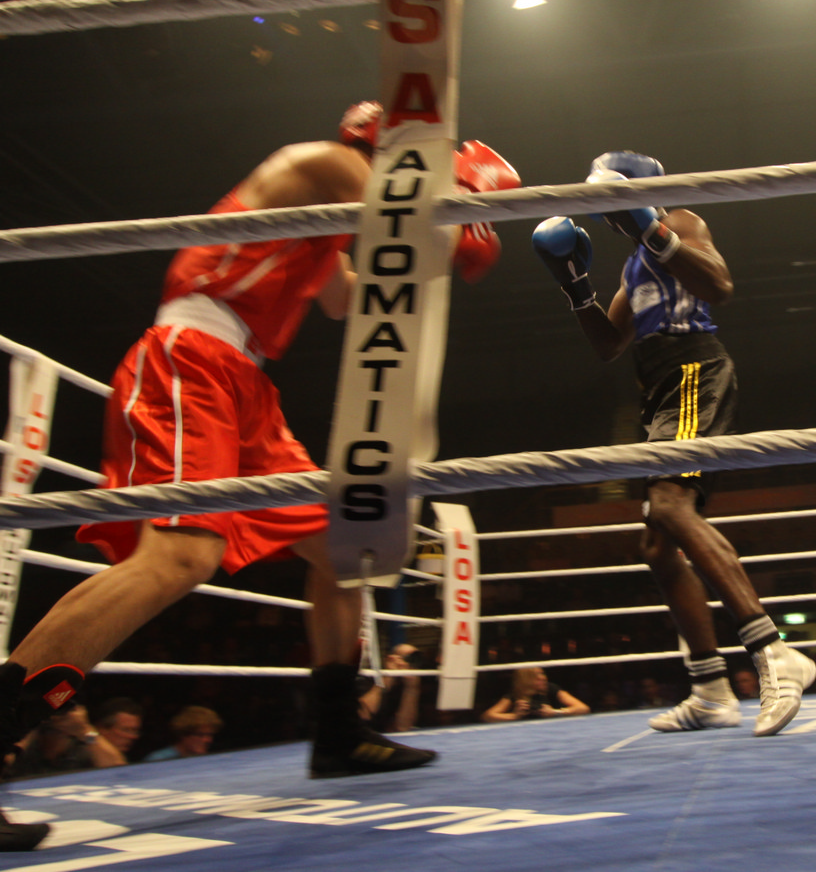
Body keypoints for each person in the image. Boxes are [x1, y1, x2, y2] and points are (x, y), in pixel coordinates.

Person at [0, 103, 518, 851]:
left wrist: (461, 224)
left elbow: (356, 292)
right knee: (180, 558)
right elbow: (405, 236)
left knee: (345, 546)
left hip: (243, 382)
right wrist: (462, 201)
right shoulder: (330, 164)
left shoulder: (331, 215)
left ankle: (338, 734)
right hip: (192, 357)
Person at [531, 151, 816, 738]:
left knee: (668, 506)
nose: (606, 214)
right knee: (658, 547)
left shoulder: (681, 223)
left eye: (613, 200)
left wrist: (654, 229)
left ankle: (773, 650)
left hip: (693, 370)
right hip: (659, 388)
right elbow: (609, 344)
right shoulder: (633, 265)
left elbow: (720, 285)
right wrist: (573, 284)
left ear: (635, 194)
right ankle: (710, 689)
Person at [8, 705, 127, 778]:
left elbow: (119, 772)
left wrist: (85, 730)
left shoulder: (85, 745)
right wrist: (29, 725)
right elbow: (6, 760)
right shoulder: (30, 743)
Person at [358, 643, 425, 733]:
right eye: (407, 658)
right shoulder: (369, 678)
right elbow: (362, 716)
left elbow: (402, 727)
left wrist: (411, 688)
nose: (410, 663)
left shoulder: (410, 683)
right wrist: (387, 678)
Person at [479, 667, 589, 722]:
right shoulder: (515, 694)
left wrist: (556, 712)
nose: (543, 678)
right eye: (537, 676)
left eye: (542, 674)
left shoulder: (551, 688)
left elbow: (583, 708)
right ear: (527, 679)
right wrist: (514, 716)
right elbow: (487, 716)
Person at [144, 706, 223, 761]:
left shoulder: (208, 760)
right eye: (200, 735)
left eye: (210, 735)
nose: (207, 740)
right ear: (183, 734)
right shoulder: (159, 759)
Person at [92, 697, 144, 761]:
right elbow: (89, 738)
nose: (133, 736)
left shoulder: (136, 758)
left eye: (135, 731)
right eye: (126, 730)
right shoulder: (87, 746)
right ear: (103, 729)